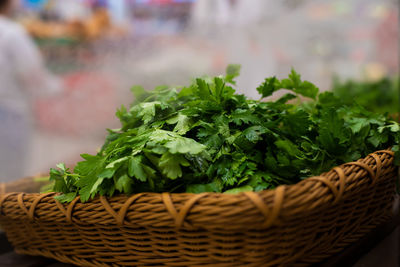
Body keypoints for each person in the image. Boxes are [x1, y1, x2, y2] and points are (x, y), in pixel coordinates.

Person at [0, 0, 62, 182]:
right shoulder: (12, 33)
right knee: (11, 177)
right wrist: (58, 87)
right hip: (9, 113)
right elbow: (32, 75)